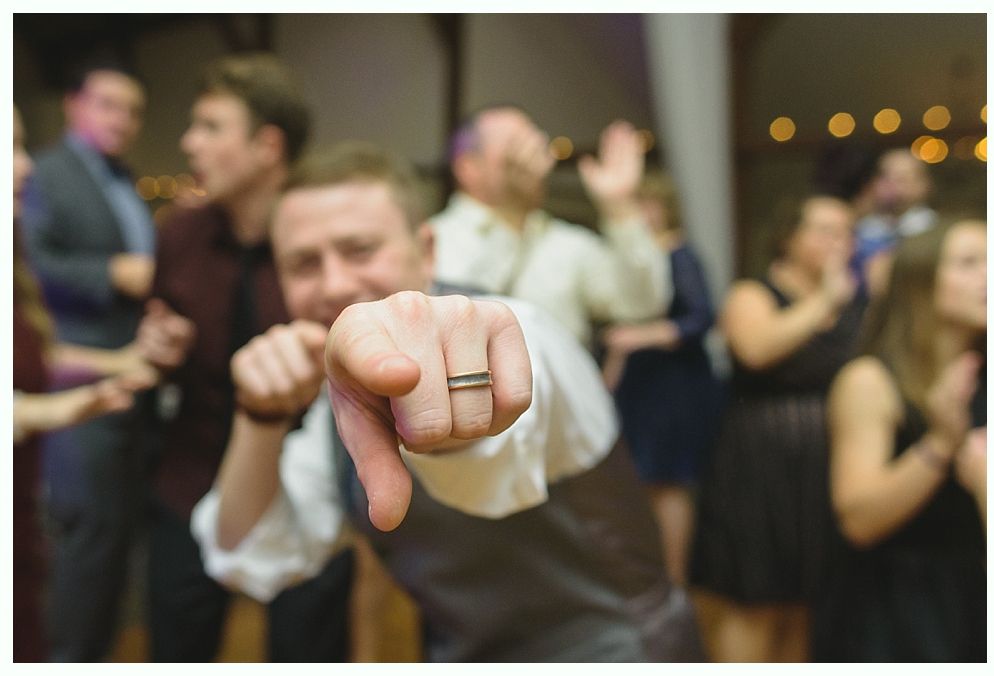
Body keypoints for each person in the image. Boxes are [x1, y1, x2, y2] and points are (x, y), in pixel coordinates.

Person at [190, 142, 704, 662]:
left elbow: (501, 444)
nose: (335, 284)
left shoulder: (521, 332)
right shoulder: (336, 407)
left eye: (360, 250)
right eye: (303, 264)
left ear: (427, 250)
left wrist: (438, 419)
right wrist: (260, 416)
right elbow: (249, 554)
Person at [134, 52, 353, 662]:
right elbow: (157, 336)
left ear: (267, 146)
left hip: (303, 484)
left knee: (309, 653)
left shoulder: (326, 241)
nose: (188, 143)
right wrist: (159, 350)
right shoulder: (179, 233)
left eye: (210, 127)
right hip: (191, 479)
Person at [18, 61, 156, 662]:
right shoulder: (48, 173)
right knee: (85, 536)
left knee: (115, 537)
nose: (120, 120)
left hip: (103, 367)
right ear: (75, 106)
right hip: (54, 360)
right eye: (107, 105)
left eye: (131, 110)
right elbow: (34, 259)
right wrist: (112, 273)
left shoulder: (123, 178)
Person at [690, 194, 866, 662]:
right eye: (824, 230)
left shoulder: (860, 297)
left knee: (807, 602)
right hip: (762, 464)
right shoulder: (754, 292)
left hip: (827, 464)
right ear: (789, 236)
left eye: (847, 232)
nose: (838, 242)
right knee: (756, 598)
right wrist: (825, 300)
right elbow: (755, 349)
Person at [816, 217, 986, 661]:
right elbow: (859, 520)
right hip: (902, 607)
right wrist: (941, 444)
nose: (991, 276)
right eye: (970, 263)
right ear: (919, 281)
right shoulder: (870, 381)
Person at [430, 105, 668, 349]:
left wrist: (620, 207)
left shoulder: (566, 241)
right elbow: (468, 310)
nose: (534, 158)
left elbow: (643, 305)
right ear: (468, 168)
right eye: (516, 147)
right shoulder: (436, 239)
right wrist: (510, 212)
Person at [601, 169, 724, 588]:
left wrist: (639, 337)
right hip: (641, 384)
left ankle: (674, 580)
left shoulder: (679, 254)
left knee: (668, 481)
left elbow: (700, 319)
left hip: (673, 384)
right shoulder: (634, 258)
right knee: (642, 480)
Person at [851, 148, 937, 296]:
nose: (893, 183)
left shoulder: (935, 230)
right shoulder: (861, 229)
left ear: (924, 184)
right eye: (886, 176)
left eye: (903, 177)